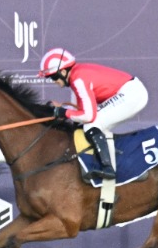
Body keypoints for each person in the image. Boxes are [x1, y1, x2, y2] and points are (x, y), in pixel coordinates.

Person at [38, 48, 148, 180]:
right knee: (87, 125)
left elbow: (88, 116)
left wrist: (63, 112)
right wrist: (61, 111)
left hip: (132, 95)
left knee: (91, 125)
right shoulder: (76, 76)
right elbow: (78, 112)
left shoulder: (78, 80)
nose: (53, 81)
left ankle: (107, 168)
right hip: (130, 92)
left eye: (53, 77)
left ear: (63, 71)